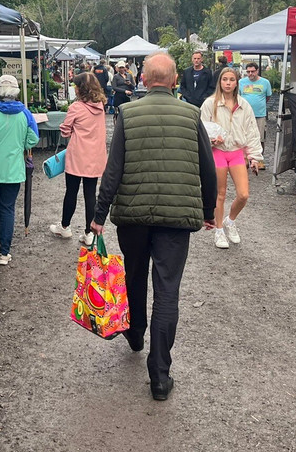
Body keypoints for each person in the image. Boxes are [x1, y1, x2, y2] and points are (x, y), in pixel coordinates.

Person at [91, 52, 217, 402]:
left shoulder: (128, 113)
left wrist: (99, 215)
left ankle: (135, 334)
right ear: (175, 81)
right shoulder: (191, 115)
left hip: (133, 218)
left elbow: (113, 169)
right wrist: (208, 210)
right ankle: (160, 375)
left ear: (143, 81)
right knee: (167, 291)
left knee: (134, 277)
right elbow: (208, 168)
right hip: (176, 220)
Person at [0, 74, 40, 265]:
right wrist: (21, 145)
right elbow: (33, 139)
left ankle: (0, 240)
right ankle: (5, 252)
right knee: (7, 207)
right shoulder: (26, 114)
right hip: (14, 169)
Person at [199, 67, 262, 248]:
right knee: (220, 194)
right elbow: (201, 129)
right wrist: (212, 140)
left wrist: (254, 157)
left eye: (231, 80)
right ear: (220, 82)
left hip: (236, 151)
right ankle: (219, 230)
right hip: (217, 151)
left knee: (243, 194)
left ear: (237, 83)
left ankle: (230, 221)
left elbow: (252, 131)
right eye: (224, 79)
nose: (228, 83)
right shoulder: (209, 103)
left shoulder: (244, 105)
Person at [50, 73, 108, 246]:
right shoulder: (100, 106)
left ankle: (65, 227)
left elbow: (65, 131)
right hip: (95, 156)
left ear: (81, 88)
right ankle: (89, 233)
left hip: (77, 155)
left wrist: (69, 130)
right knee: (90, 194)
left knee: (71, 191)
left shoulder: (76, 107)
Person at [240, 63, 273, 165]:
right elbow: (238, 97)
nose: (250, 74)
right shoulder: (241, 82)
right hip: (244, 115)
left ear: (257, 71)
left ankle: (259, 161)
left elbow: (268, 96)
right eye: (248, 72)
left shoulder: (265, 82)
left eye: (252, 71)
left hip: (260, 115)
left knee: (260, 138)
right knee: (243, 138)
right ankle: (244, 161)